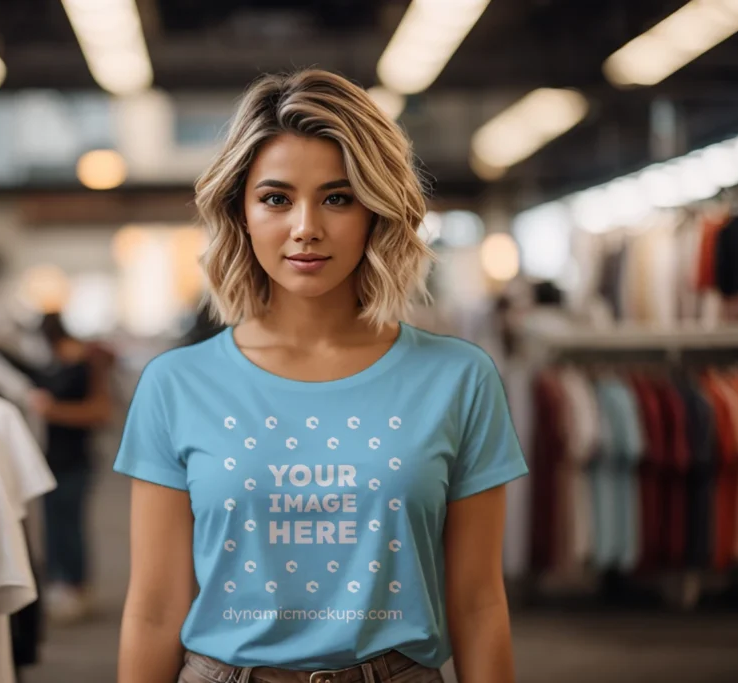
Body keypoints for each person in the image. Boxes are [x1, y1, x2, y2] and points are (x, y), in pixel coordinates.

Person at [114, 70, 528, 683]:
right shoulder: (175, 385)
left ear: (376, 211)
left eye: (337, 197)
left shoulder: (459, 379)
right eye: (276, 198)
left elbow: (478, 603)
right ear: (242, 212)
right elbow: (153, 611)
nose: (306, 226)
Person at [29, 312, 114, 624]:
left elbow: (101, 412)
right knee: (53, 524)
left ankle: (77, 587)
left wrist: (53, 412)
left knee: (70, 524)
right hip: (50, 459)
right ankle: (61, 584)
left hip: (76, 458)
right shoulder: (54, 365)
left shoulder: (86, 364)